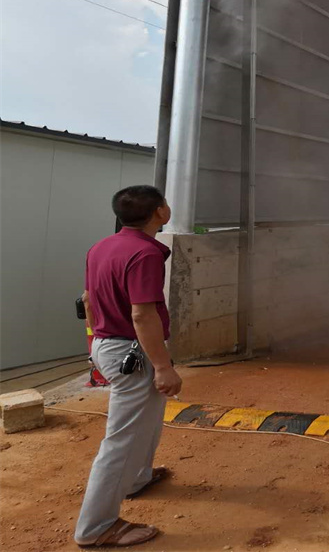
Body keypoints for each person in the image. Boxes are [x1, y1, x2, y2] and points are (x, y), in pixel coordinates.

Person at [74, 185, 182, 548]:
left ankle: (138, 478)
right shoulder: (145, 253)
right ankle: (95, 527)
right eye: (164, 204)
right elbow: (142, 313)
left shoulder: (100, 247)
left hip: (109, 344)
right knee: (121, 439)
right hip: (130, 351)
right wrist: (163, 367)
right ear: (160, 213)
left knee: (148, 419)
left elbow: (88, 300)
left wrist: (94, 346)